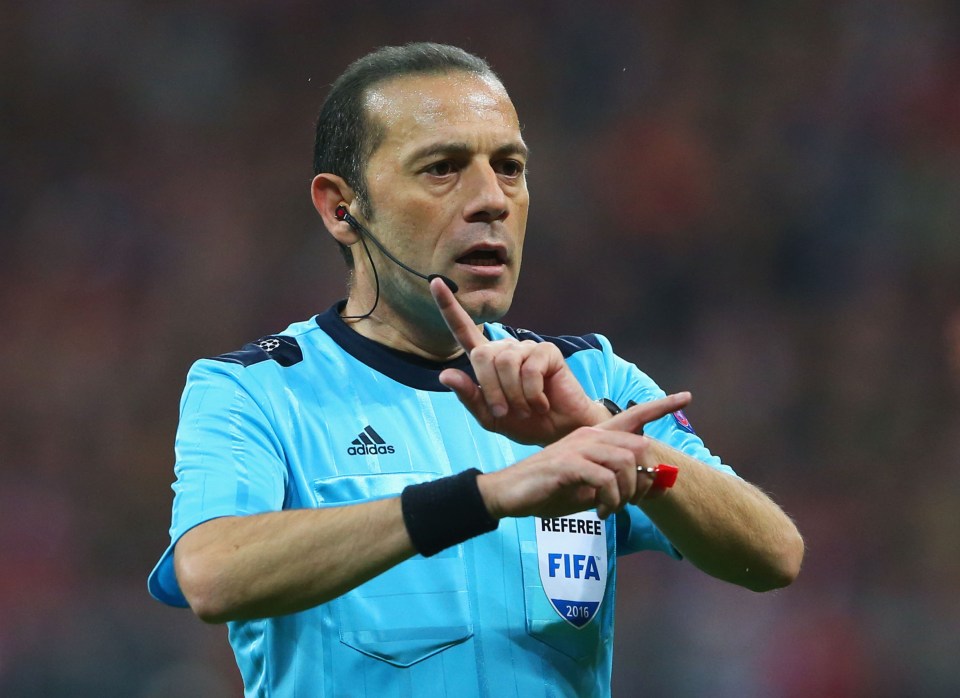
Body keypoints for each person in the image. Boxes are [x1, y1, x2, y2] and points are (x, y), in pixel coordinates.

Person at [149, 42, 803, 697]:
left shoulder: (590, 380)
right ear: (341, 209)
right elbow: (212, 574)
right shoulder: (256, 391)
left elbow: (773, 555)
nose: (491, 198)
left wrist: (620, 449)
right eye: (442, 168)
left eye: (510, 167)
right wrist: (484, 497)